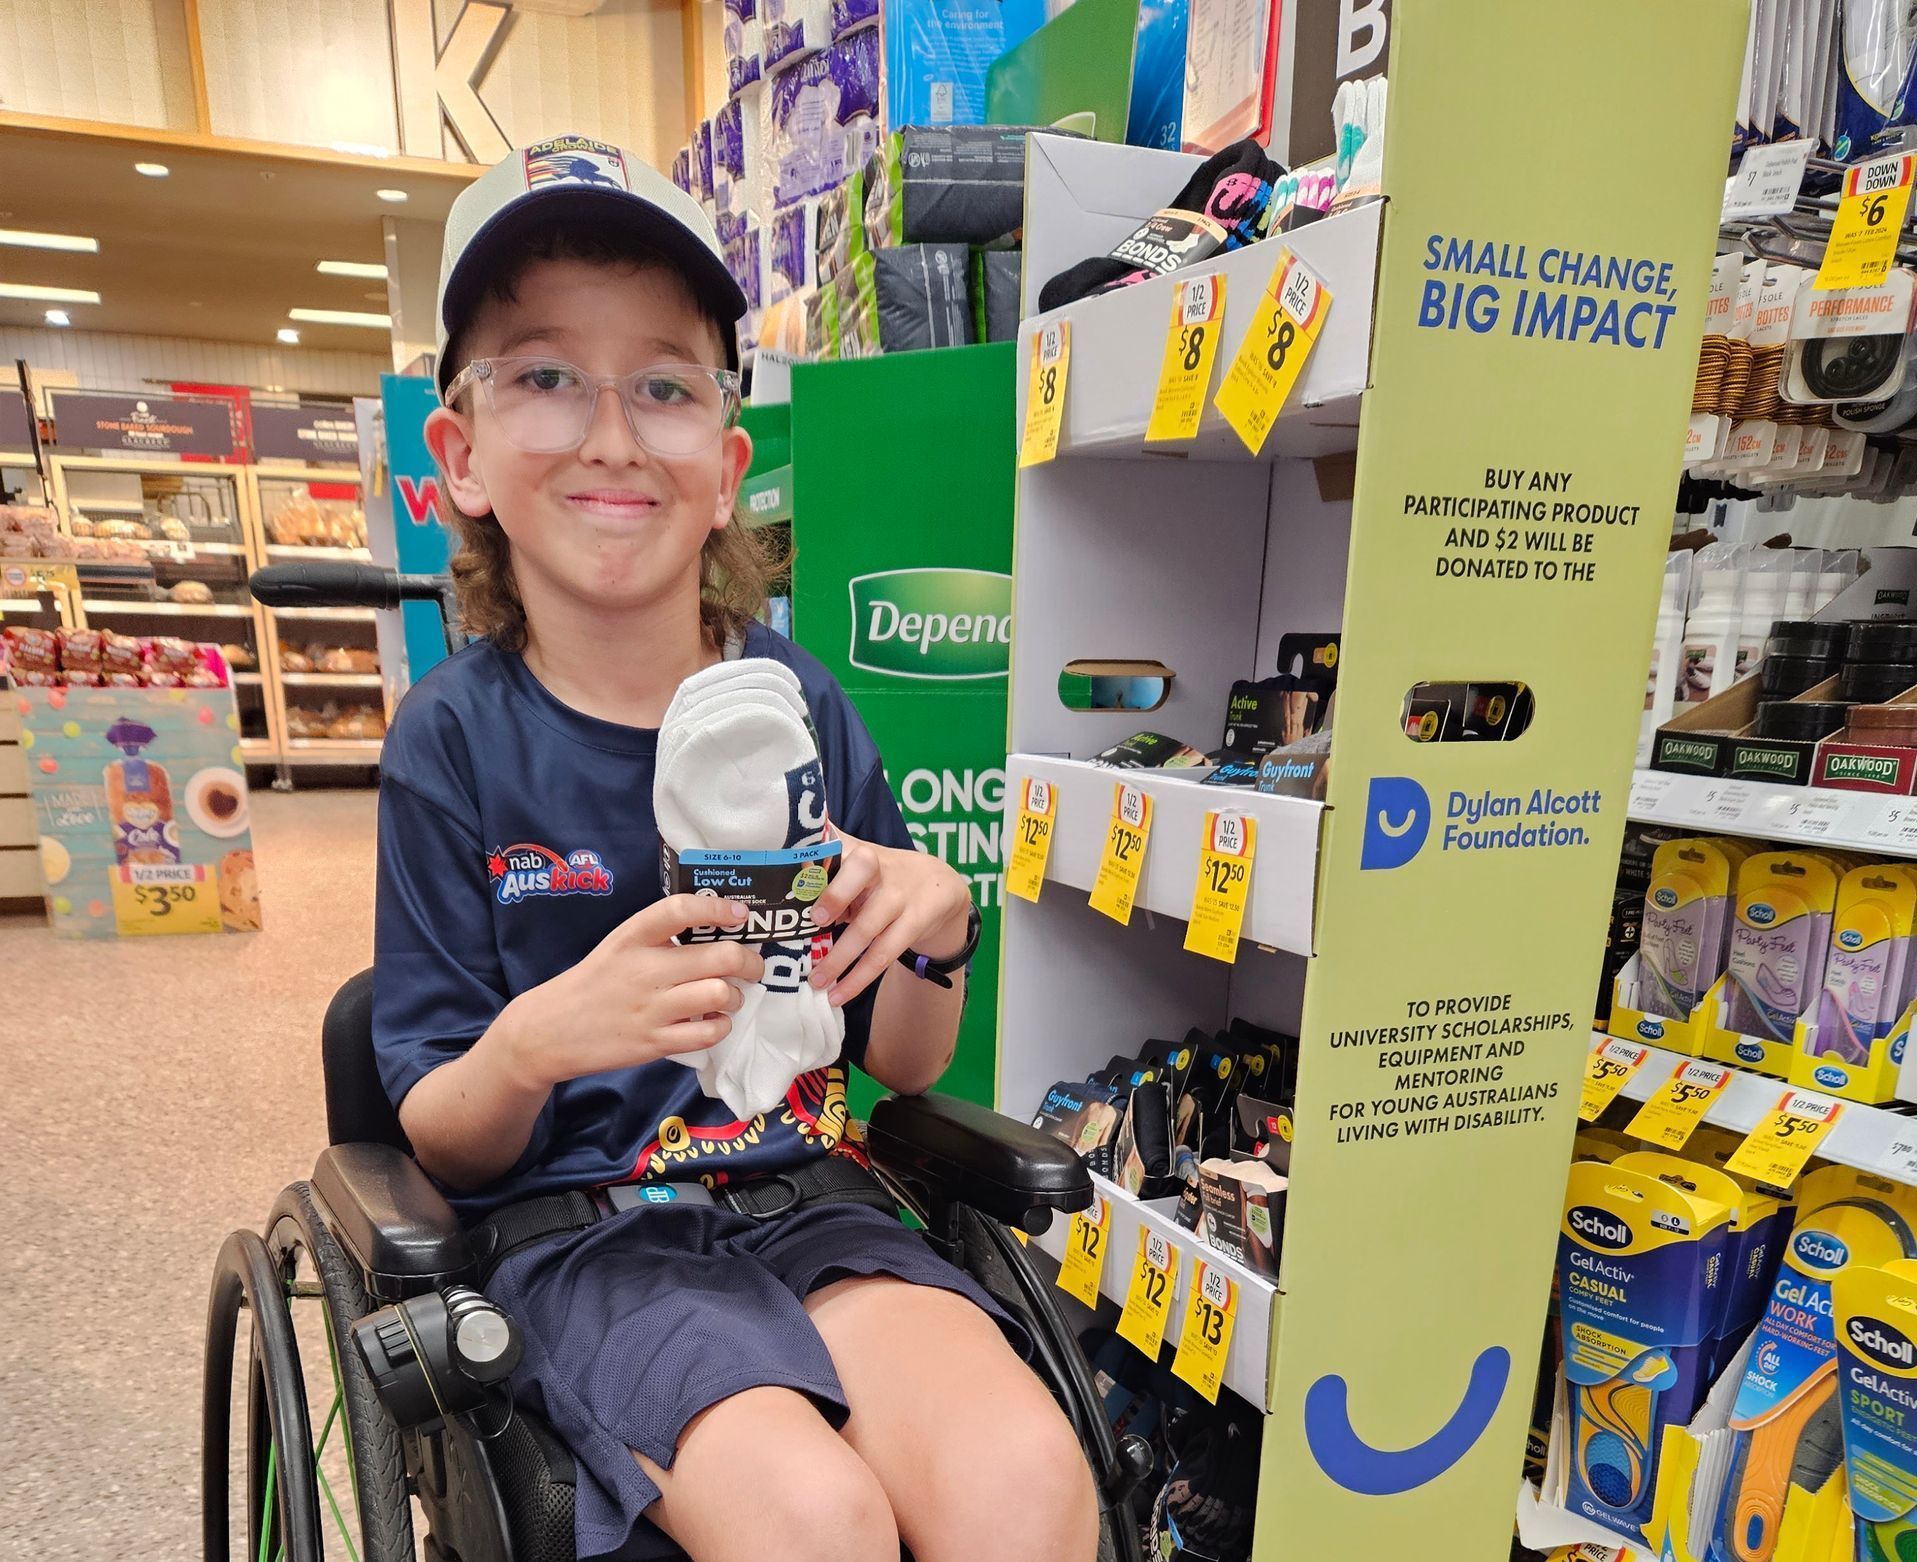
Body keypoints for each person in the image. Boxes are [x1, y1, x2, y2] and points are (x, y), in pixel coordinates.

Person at [370, 134, 1099, 1562]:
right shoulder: (453, 743)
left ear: (723, 461)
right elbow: (437, 1128)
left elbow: (900, 1063)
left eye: (661, 383)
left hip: (811, 1195)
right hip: (585, 1238)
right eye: (541, 374)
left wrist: (936, 917)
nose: (609, 430)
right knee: (811, 1519)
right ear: (456, 453)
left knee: (1027, 1478)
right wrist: (536, 1042)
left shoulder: (800, 705)